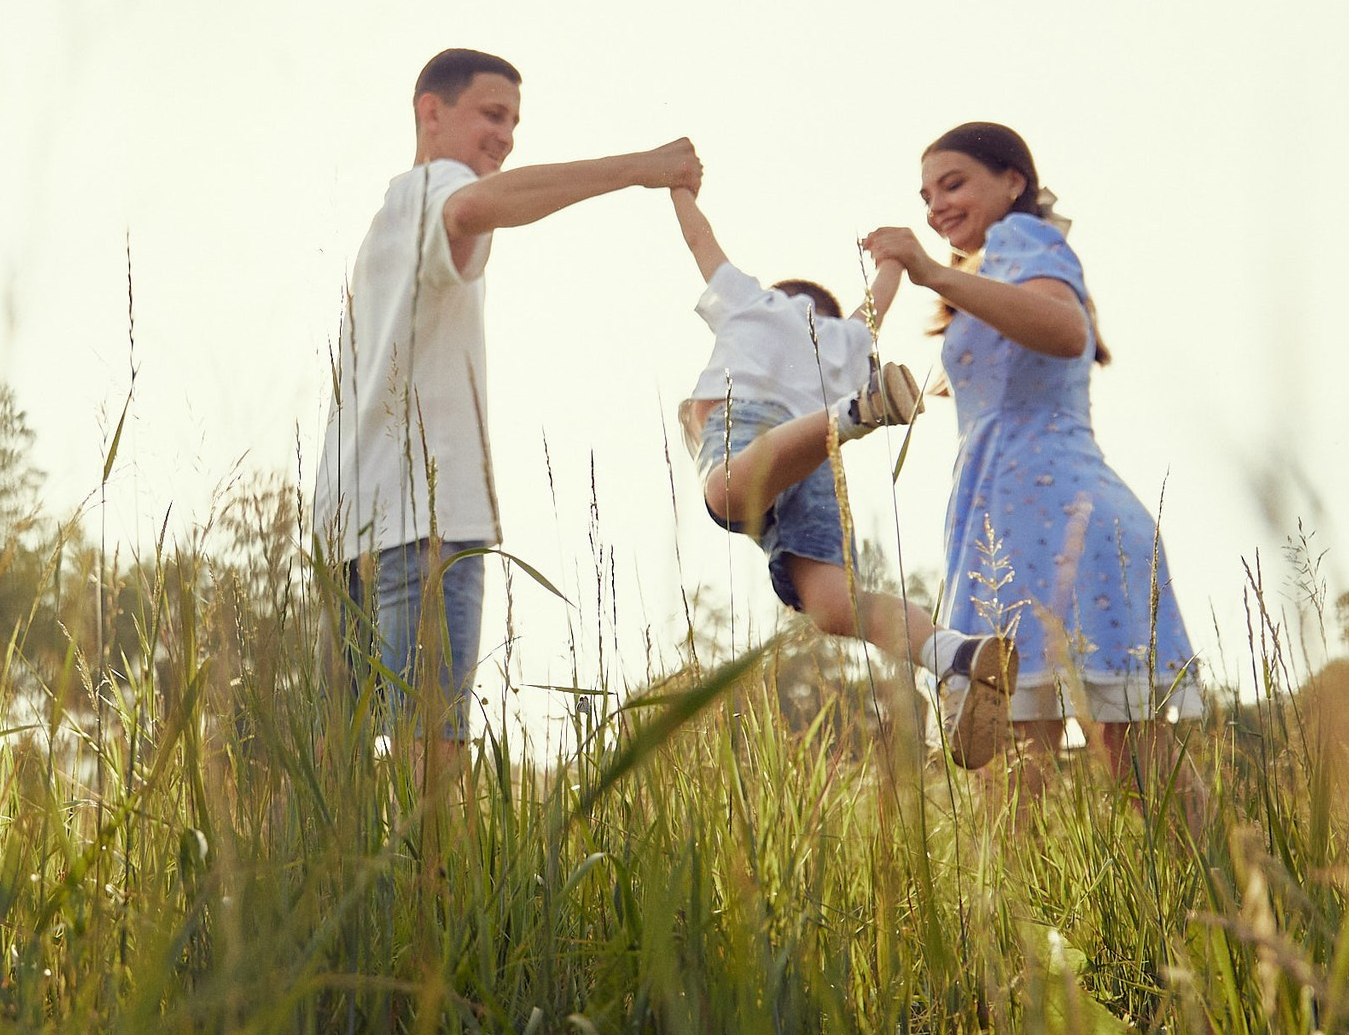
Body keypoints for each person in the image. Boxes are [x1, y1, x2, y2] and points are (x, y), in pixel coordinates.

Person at [312, 48, 702, 760]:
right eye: (492, 114)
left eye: (515, 122)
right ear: (431, 111)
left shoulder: (389, 216)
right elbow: (471, 206)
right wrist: (642, 168)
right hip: (425, 529)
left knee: (340, 779)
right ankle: (430, 881)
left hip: (348, 530)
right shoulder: (440, 191)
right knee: (430, 772)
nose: (507, 136)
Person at [862, 122, 1204, 808]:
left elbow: (1065, 327)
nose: (936, 207)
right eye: (927, 195)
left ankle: (1223, 899)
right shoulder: (987, 272)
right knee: (1049, 759)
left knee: (1080, 757)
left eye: (953, 183)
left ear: (1013, 181)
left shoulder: (1024, 240)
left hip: (1053, 518)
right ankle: (1219, 894)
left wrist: (927, 268)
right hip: (1013, 520)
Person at [669, 187, 1016, 768]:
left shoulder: (751, 304)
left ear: (780, 300)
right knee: (835, 606)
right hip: (816, 456)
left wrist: (678, 183)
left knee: (726, 490)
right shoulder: (851, 338)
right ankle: (954, 655)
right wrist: (889, 258)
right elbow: (879, 299)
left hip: (764, 427)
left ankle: (853, 414)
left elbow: (699, 238)